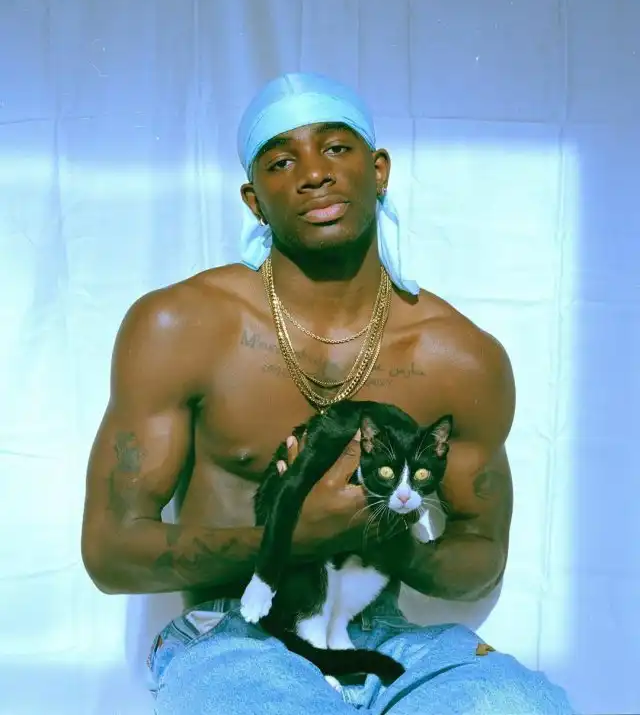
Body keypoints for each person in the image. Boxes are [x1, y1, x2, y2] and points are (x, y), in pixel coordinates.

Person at [81, 72, 574, 714]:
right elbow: (110, 553)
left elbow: (481, 554)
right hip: (235, 634)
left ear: (379, 170)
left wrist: (396, 546)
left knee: (517, 705)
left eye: (336, 149)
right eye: (281, 162)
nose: (313, 174)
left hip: (385, 636)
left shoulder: (457, 357)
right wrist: (293, 536)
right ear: (254, 201)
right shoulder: (182, 326)